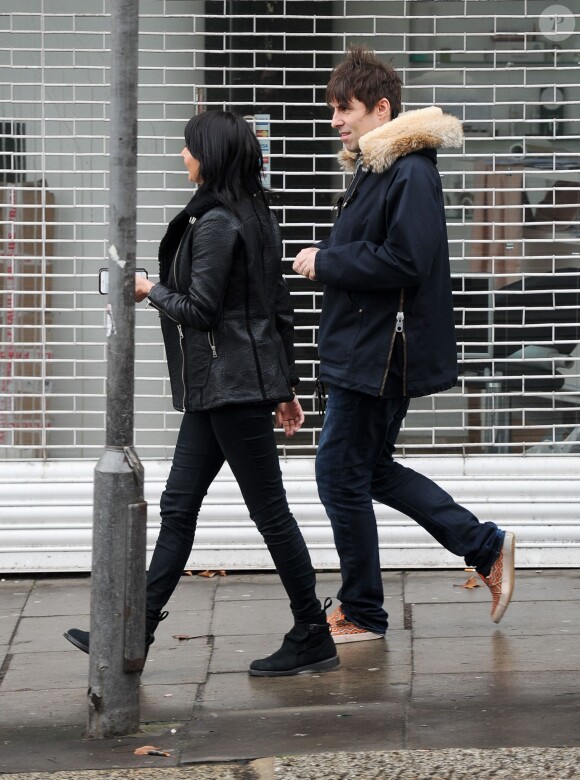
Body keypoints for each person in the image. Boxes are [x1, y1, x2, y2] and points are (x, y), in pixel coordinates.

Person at [65, 110, 339, 677]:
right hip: (229, 386)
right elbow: (275, 308)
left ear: (210, 157)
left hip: (228, 387)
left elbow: (202, 310)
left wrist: (149, 288)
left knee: (270, 514)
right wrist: (283, 385)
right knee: (179, 508)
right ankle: (133, 631)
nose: (182, 157)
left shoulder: (216, 222)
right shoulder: (255, 212)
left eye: (189, 149)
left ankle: (312, 630)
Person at [292, 46, 515, 644]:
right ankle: (482, 545)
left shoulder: (409, 169)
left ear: (381, 108)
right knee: (365, 471)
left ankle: (364, 609)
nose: (336, 121)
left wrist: (327, 261)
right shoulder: (377, 168)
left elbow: (405, 260)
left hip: (377, 355)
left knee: (340, 475)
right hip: (365, 349)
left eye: (346, 109)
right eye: (333, 110)